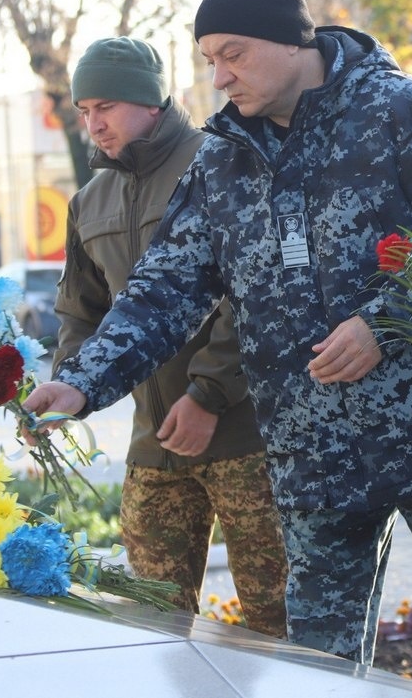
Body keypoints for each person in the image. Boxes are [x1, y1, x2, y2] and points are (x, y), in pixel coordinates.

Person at [24, 0, 412, 696]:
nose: (221, 75)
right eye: (209, 60)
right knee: (318, 671)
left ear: (292, 40)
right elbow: (166, 286)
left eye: (234, 53)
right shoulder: (224, 158)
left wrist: (382, 324)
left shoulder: (406, 112)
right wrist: (80, 380)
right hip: (310, 462)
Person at [52, 36, 288, 636]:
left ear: (150, 101)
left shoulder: (219, 164)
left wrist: (210, 392)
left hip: (244, 438)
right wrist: (68, 391)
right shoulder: (88, 201)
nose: (93, 123)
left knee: (277, 626)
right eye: (84, 111)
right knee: (152, 624)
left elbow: (255, 291)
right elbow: (82, 315)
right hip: (153, 444)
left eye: (105, 105)